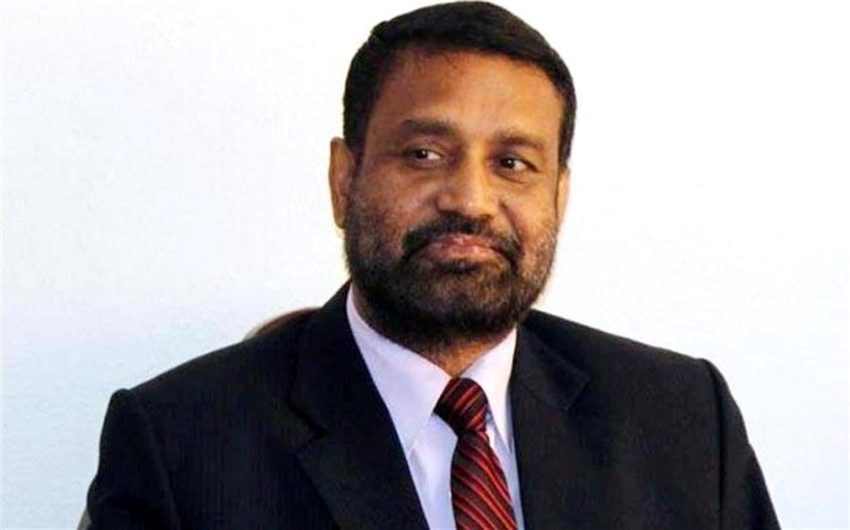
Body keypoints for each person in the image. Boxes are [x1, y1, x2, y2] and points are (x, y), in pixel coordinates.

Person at [84, 2, 780, 528]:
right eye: (424, 154)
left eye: (512, 163)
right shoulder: (179, 446)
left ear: (558, 197)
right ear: (344, 180)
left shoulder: (683, 422)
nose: (469, 200)